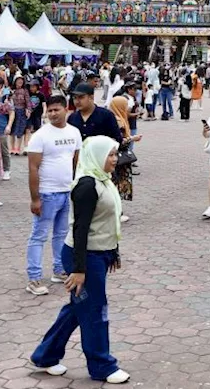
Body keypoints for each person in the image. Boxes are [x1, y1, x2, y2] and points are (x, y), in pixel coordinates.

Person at [30, 136, 130, 384]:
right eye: (110, 154)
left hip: (100, 253)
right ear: (96, 155)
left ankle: (45, 356)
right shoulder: (86, 185)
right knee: (95, 309)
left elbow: (109, 220)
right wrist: (79, 269)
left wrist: (113, 251)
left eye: (116, 154)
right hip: (85, 256)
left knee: (78, 308)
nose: (115, 159)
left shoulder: (104, 180)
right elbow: (80, 229)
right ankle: (101, 366)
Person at [25, 95, 82, 296]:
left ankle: (59, 269)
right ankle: (33, 277)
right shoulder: (40, 136)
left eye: (56, 109)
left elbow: (76, 163)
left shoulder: (74, 132)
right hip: (47, 193)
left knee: (61, 233)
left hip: (66, 191)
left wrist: (77, 188)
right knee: (39, 236)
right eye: (49, 110)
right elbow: (33, 168)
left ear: (66, 109)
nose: (52, 114)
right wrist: (35, 198)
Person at [106, 95, 138, 217]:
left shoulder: (117, 118)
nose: (127, 108)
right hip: (118, 158)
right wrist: (132, 138)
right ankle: (117, 213)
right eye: (125, 106)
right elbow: (118, 141)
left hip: (118, 158)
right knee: (117, 185)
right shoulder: (118, 121)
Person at [9, 76, 31, 157]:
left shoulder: (25, 91)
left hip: (21, 111)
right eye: (18, 81)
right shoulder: (11, 90)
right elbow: (7, 99)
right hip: (12, 111)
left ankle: (17, 148)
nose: (20, 83)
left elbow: (28, 101)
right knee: (12, 130)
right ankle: (11, 148)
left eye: (21, 82)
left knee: (20, 130)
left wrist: (28, 110)